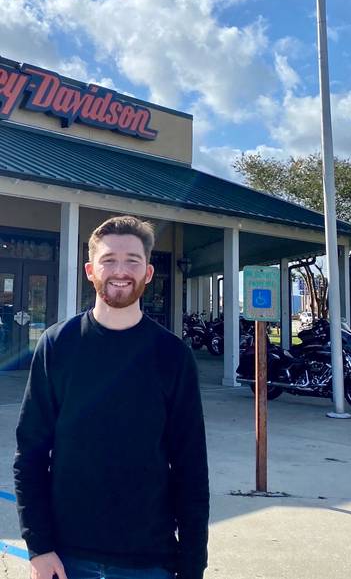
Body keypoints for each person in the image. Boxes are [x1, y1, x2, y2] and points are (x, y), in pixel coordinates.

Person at [14, 215, 209, 579]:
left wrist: (193, 564)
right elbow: (30, 454)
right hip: (66, 559)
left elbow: (191, 466)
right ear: (90, 270)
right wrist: (38, 546)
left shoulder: (172, 355)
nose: (121, 271)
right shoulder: (57, 346)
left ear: (148, 273)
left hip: (150, 560)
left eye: (132, 260)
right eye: (109, 260)